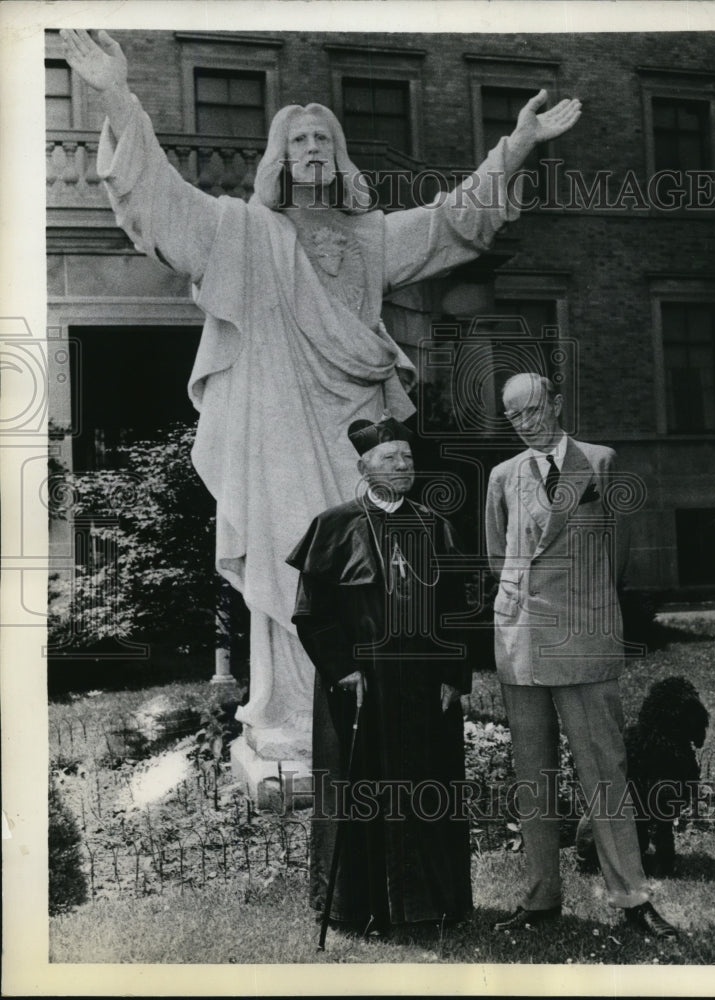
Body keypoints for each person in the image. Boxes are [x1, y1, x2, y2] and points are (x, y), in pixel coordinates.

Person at [58, 29, 582, 758]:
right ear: (281, 154)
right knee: (289, 561)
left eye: (321, 137)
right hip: (276, 427)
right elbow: (163, 205)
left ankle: (375, 714)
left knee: (369, 562)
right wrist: (116, 95)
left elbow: (453, 221)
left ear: (337, 155)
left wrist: (516, 145)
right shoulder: (242, 231)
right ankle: (295, 719)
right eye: (297, 137)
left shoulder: (370, 238)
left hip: (358, 430)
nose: (310, 147)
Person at [485, 372, 678, 939]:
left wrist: (584, 606)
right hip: (521, 643)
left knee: (604, 771)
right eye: (514, 416)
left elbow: (619, 553)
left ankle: (632, 898)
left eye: (533, 409)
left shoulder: (600, 462)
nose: (526, 423)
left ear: (559, 402)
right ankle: (541, 898)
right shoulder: (503, 476)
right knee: (532, 779)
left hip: (584, 638)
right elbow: (498, 555)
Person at [286, 414, 471, 932]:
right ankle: (357, 908)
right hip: (361, 685)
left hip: (423, 685)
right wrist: (343, 670)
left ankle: (432, 905)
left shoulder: (435, 526)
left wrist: (454, 675)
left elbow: (457, 610)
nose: (403, 465)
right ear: (364, 466)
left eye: (409, 458)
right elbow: (311, 613)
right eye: (391, 458)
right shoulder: (334, 524)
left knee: (428, 787)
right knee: (359, 790)